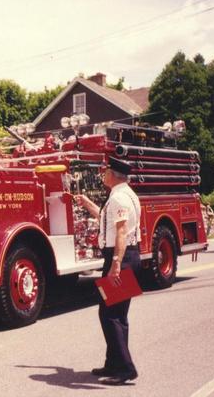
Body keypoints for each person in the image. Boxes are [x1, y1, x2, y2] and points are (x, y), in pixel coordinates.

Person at [75, 157, 141, 385]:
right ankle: (113, 363)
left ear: (113, 175)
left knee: (110, 314)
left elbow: (121, 232)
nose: (103, 175)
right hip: (125, 257)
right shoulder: (124, 194)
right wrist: (86, 203)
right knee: (117, 315)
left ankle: (125, 368)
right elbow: (106, 220)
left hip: (120, 258)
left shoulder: (119, 198)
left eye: (105, 172)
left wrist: (115, 264)